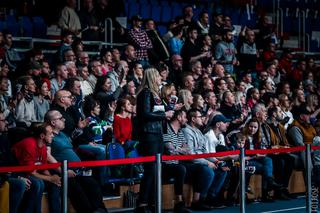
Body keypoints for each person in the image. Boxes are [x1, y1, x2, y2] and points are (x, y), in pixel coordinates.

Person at [135, 67, 174, 212]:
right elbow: (144, 114)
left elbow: (155, 112)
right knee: (150, 169)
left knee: (157, 169)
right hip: (149, 134)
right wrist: (165, 115)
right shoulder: (145, 93)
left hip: (157, 133)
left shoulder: (154, 93)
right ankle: (142, 203)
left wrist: (169, 109)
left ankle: (152, 201)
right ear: (152, 77)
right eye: (158, 76)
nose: (160, 78)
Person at [12, 123, 61, 213]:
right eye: (50, 133)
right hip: (17, 172)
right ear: (42, 136)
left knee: (55, 185)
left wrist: (53, 179)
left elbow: (43, 167)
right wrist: (50, 178)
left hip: (30, 171)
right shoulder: (29, 145)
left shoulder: (43, 146)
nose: (53, 136)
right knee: (37, 184)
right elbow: (31, 172)